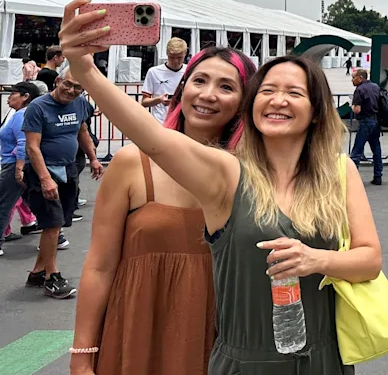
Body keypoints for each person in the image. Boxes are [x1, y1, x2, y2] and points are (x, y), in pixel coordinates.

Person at [61, 0, 381, 373]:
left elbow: (370, 259)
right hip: (232, 352)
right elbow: (153, 139)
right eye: (267, 91)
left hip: (318, 357)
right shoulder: (229, 173)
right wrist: (86, 72)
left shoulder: (337, 171)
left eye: (295, 93)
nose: (279, 100)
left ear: (316, 111)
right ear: (252, 107)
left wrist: (318, 260)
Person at [70, 47, 256, 375]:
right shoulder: (132, 163)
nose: (208, 95)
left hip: (218, 341)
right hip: (136, 336)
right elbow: (99, 267)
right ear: (181, 89)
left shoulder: (251, 176)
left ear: (244, 102)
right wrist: (82, 356)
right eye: (199, 80)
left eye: (227, 87)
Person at [22, 67, 104, 298]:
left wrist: (94, 158)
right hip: (44, 172)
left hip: (68, 169)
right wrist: (45, 179)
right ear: (58, 81)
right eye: (67, 84)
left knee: (58, 223)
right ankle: (52, 277)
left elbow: (82, 131)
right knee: (52, 223)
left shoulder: (78, 104)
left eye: (78, 87)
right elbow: (32, 147)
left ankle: (38, 271)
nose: (71, 90)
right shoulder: (38, 107)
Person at [0, 82, 41, 256]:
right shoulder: (21, 114)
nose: (9, 97)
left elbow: (23, 142)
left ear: (25, 97)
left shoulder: (21, 116)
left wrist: (18, 168)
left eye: (13, 93)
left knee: (3, 203)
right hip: (15, 163)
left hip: (15, 165)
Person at [141, 37, 188, 123]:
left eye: (179, 57)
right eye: (172, 57)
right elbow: (144, 102)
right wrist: (159, 100)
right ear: (167, 53)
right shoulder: (153, 72)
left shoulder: (190, 71)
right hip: (161, 122)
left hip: (183, 122)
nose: (175, 61)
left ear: (185, 54)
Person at [350, 68, 383, 186]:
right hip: (376, 121)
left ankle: (352, 180)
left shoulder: (359, 90)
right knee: (376, 150)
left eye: (353, 77)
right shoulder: (375, 86)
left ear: (360, 78)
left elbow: (357, 110)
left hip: (365, 122)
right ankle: (378, 176)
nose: (352, 80)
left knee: (357, 151)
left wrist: (352, 107)